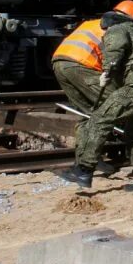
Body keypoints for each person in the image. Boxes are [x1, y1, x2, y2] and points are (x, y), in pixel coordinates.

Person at [57, 0, 133, 191]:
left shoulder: (118, 27)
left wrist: (107, 70)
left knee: (99, 120)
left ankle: (84, 170)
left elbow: (116, 46)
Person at [51, 17, 109, 168]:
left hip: (59, 62)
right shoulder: (116, 28)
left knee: (85, 113)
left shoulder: (92, 23)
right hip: (81, 64)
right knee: (109, 106)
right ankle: (91, 159)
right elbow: (113, 59)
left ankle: (84, 161)